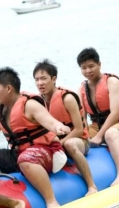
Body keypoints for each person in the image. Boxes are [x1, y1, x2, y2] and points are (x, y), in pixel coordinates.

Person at [0, 67, 71, 208]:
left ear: (8, 88)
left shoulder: (29, 104)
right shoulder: (0, 111)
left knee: (25, 159)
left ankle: (52, 202)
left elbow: (50, 121)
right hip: (18, 154)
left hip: (47, 152)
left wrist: (59, 127)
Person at [35, 59, 98, 196]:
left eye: (44, 78)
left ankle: (91, 186)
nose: (40, 83)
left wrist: (61, 144)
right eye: (37, 79)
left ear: (54, 79)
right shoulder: (38, 103)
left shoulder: (67, 98)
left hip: (79, 141)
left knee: (70, 144)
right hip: (57, 143)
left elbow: (79, 129)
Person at [77, 47, 119, 186]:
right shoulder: (82, 89)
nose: (88, 71)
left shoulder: (112, 82)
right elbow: (81, 118)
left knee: (111, 134)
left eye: (91, 66)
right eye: (84, 68)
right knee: (75, 139)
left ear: (99, 64)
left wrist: (99, 135)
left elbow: (115, 113)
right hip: (97, 126)